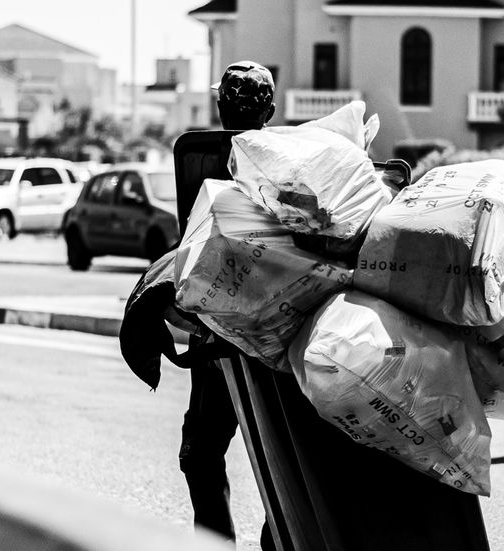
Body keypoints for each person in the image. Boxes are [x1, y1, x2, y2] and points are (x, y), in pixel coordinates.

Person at [177, 60, 276, 548]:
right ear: (271, 113)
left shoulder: (196, 159)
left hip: (219, 333)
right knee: (282, 457)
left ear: (219, 107)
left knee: (200, 454)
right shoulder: (292, 161)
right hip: (279, 332)